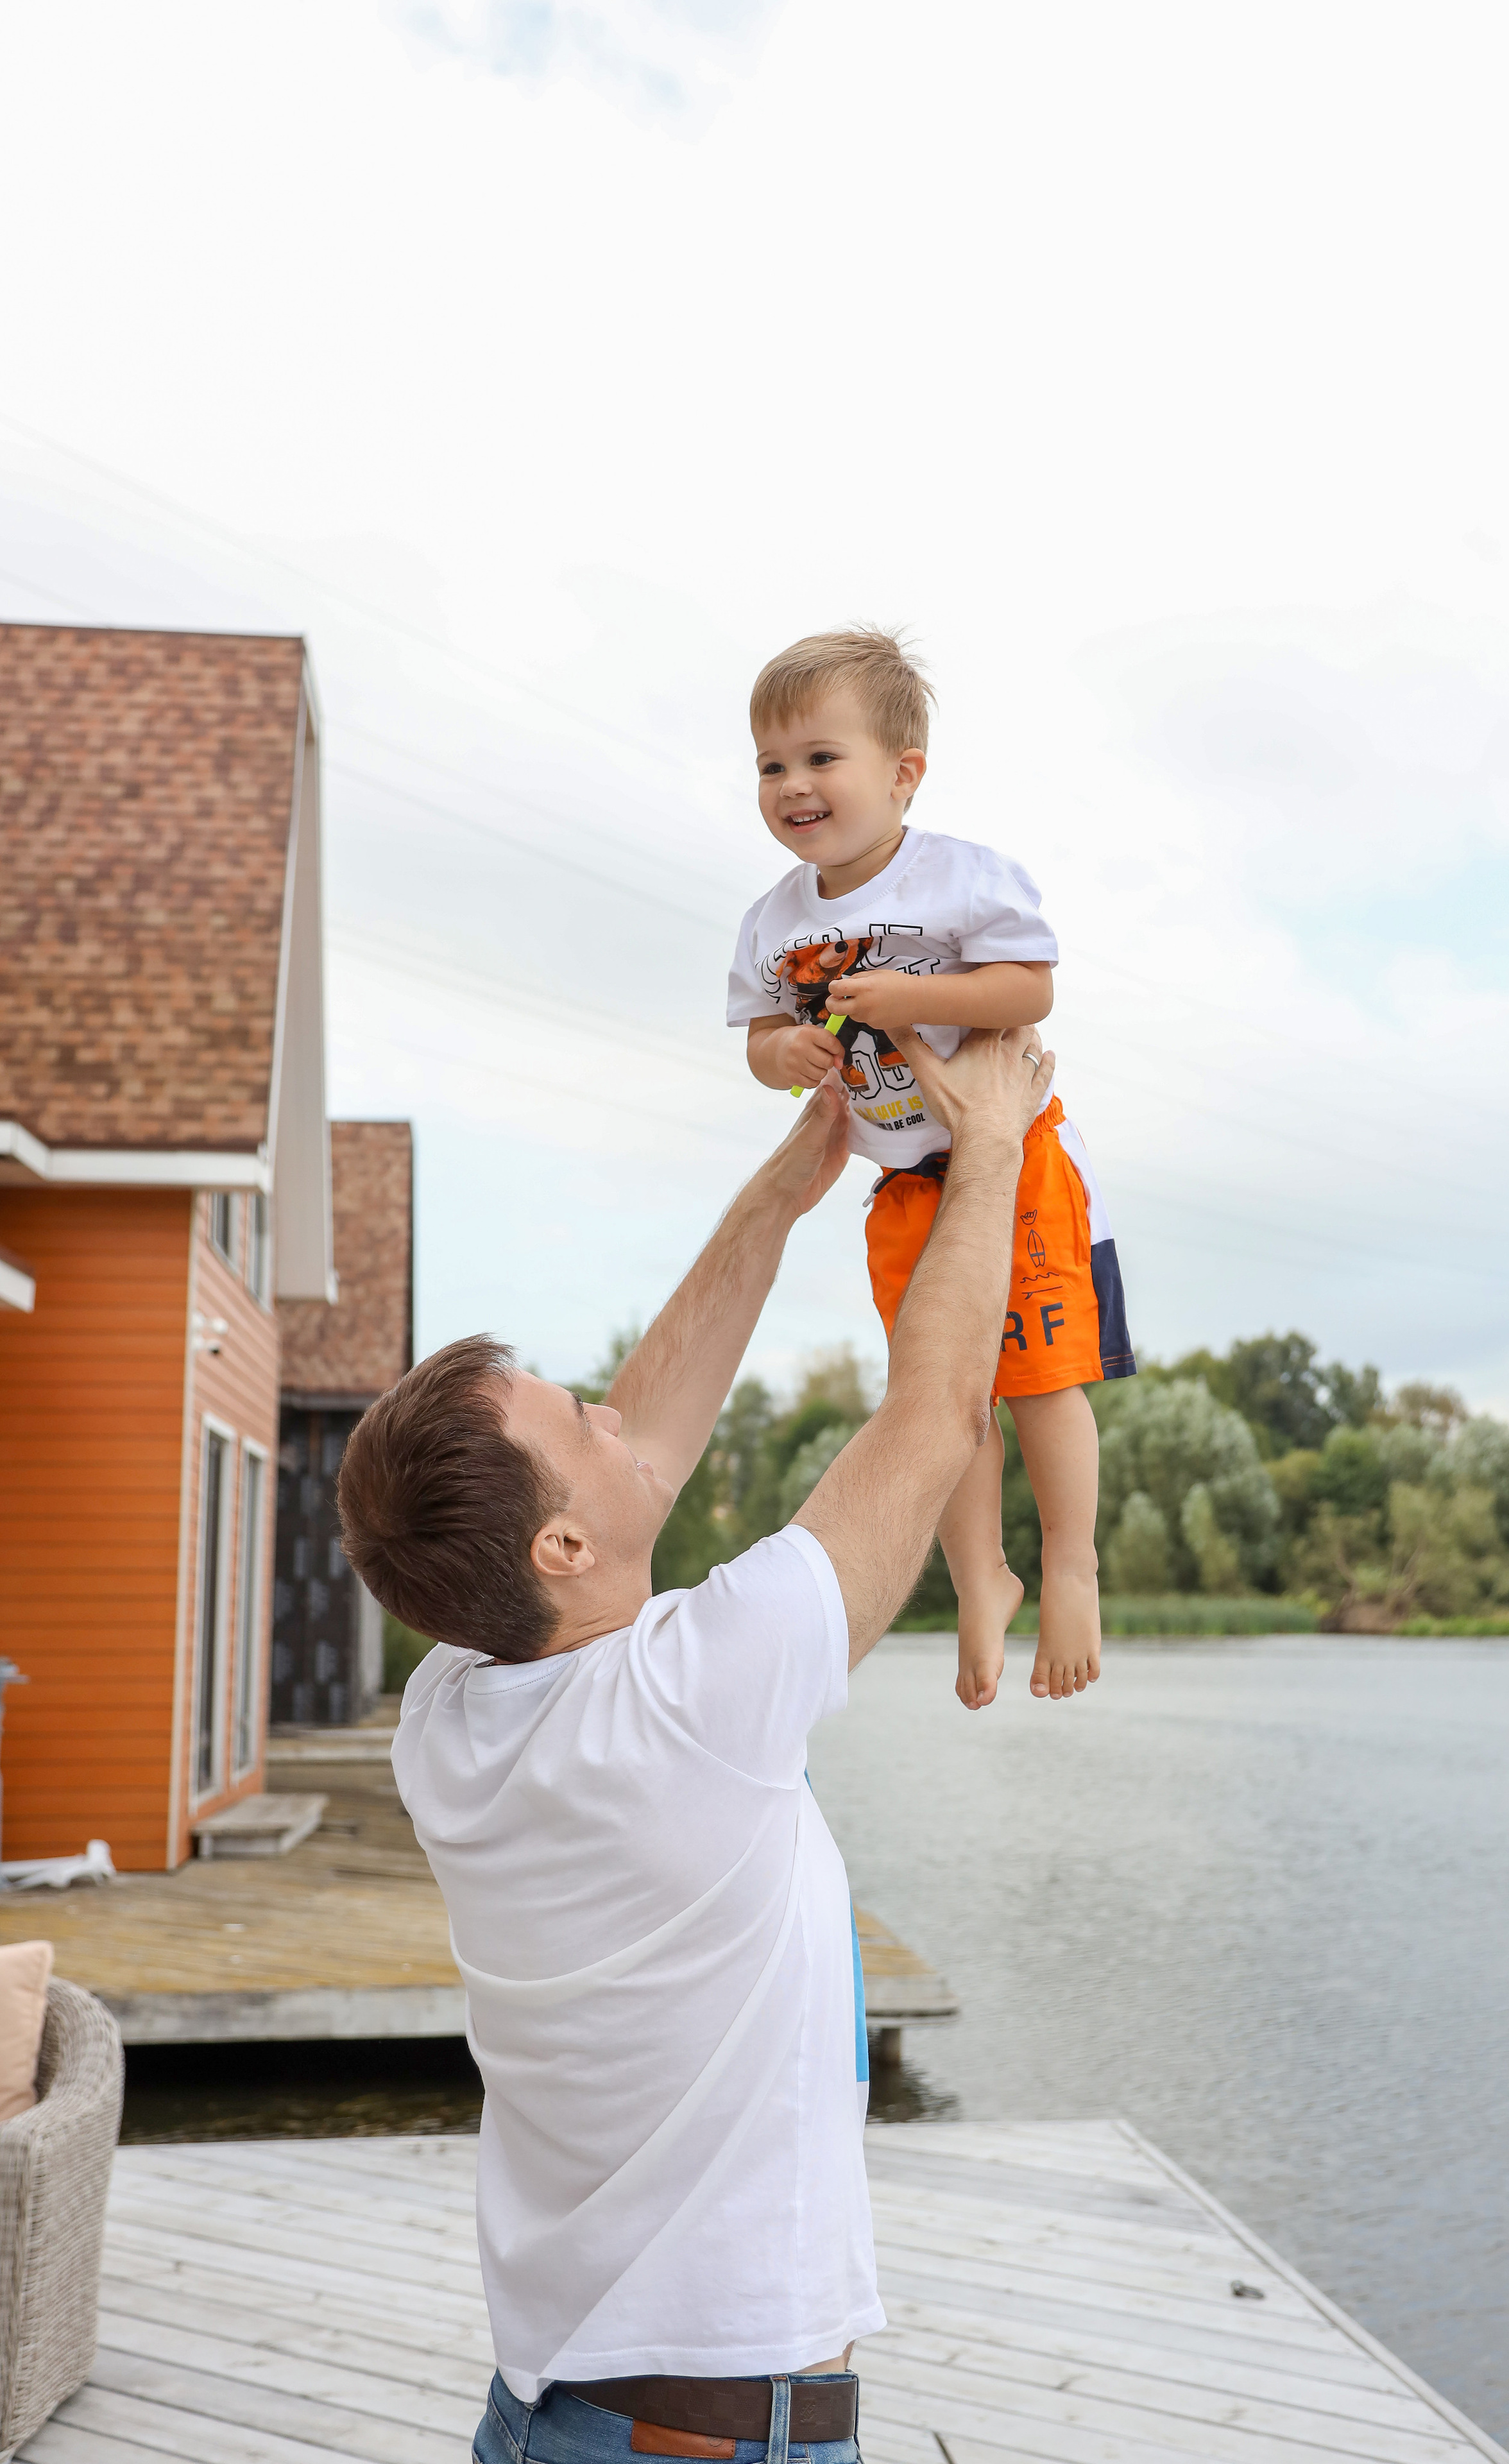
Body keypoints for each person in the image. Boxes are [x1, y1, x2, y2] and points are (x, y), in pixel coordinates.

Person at [336, 1024, 1062, 2464]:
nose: (618, 1410)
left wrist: (793, 1185)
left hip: (563, 2414)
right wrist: (989, 1152)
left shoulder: (450, 1716)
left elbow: (638, 1454)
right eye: (581, 1416)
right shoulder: (695, 1694)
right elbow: (930, 1417)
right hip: (711, 2442)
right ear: (557, 1543)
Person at [729, 627, 1136, 1712]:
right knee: (938, 1398)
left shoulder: (959, 878)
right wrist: (789, 1055)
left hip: (1016, 1155)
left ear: (903, 773)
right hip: (910, 1185)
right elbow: (760, 1040)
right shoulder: (774, 923)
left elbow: (1027, 991)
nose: (793, 784)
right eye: (772, 764)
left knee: (1040, 1374)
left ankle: (1070, 1566)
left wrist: (917, 1000)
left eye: (822, 757)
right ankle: (980, 1577)